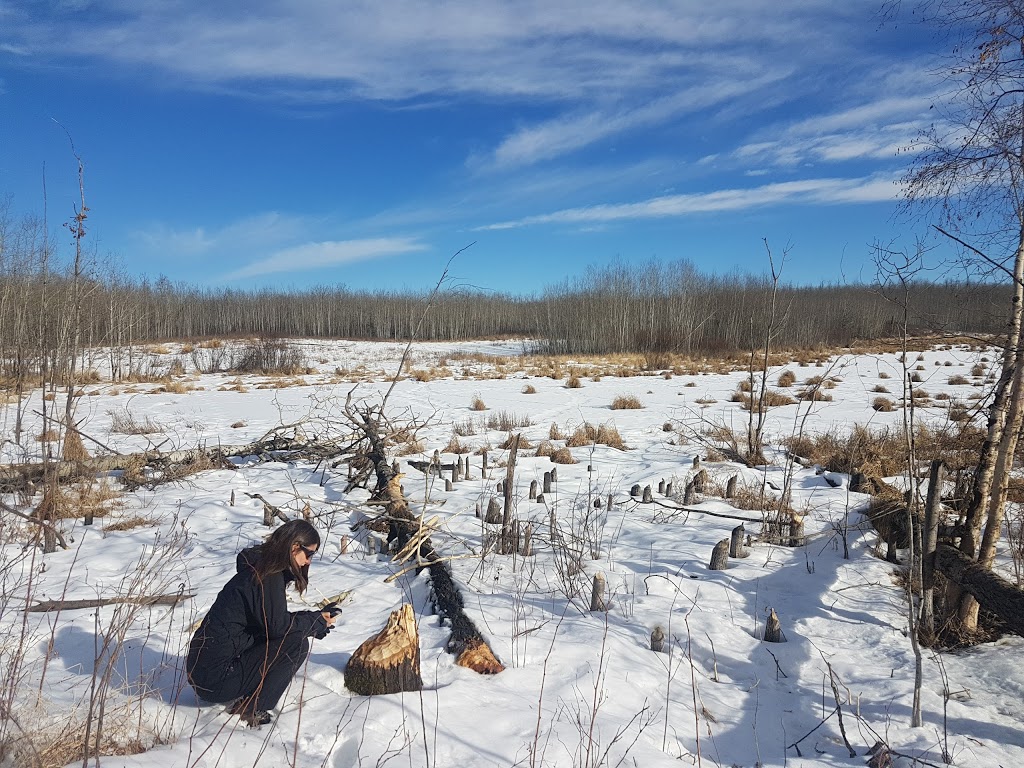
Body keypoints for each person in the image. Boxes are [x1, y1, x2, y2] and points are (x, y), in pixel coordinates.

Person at [186, 519, 337, 727]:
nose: (308, 562)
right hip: (215, 681)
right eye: (309, 554)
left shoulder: (260, 569)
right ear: (294, 547)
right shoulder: (268, 577)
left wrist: (315, 621)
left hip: (202, 673)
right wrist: (313, 623)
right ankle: (254, 708)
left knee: (294, 637)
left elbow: (271, 624)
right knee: (296, 644)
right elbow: (279, 628)